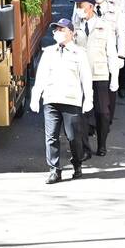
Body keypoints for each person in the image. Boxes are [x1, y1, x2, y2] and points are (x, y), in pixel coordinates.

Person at [30, 19, 93, 184]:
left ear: (71, 33)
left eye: (62, 29)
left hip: (71, 100)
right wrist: (36, 96)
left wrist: (88, 99)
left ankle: (77, 163)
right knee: (51, 137)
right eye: (56, 30)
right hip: (51, 99)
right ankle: (54, 170)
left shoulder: (79, 53)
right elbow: (41, 76)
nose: (57, 32)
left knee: (73, 137)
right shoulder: (49, 52)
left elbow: (86, 78)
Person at [73, 0, 122, 158]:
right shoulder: (75, 27)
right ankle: (85, 149)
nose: (79, 9)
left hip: (100, 74)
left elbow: (111, 53)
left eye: (82, 6)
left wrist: (114, 77)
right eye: (78, 6)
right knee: (82, 114)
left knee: (103, 113)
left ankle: (102, 144)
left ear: (91, 7)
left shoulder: (104, 26)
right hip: (80, 75)